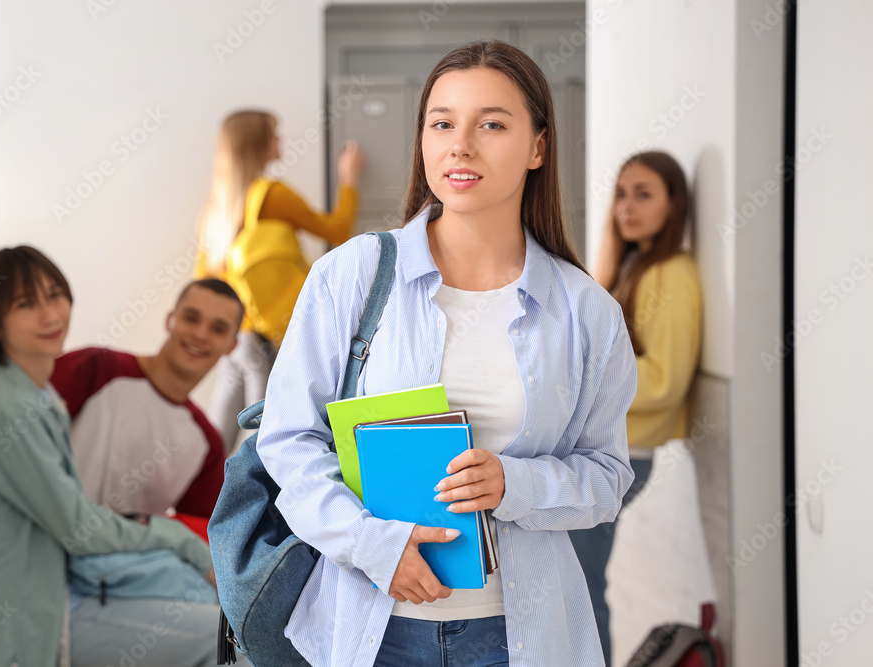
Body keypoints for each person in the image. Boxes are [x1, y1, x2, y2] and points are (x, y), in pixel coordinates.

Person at [254, 41, 637, 667]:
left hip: (519, 637)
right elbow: (290, 440)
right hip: (369, 629)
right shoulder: (352, 275)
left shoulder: (584, 311)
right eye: (441, 123)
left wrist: (515, 482)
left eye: (491, 123)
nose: (460, 144)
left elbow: (606, 477)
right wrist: (374, 545)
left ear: (538, 147)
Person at [0, 246, 220, 667]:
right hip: (41, 624)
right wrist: (177, 538)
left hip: (65, 588)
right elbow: (79, 528)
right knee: (231, 639)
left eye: (54, 295)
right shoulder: (5, 410)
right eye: (26, 304)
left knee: (222, 606)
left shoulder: (36, 395)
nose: (50, 315)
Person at [569, 150, 703, 665]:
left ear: (675, 203)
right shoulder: (631, 265)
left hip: (627, 453)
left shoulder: (672, 273)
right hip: (612, 447)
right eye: (622, 193)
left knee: (580, 584)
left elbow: (665, 380)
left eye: (644, 194)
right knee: (578, 577)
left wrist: (581, 384)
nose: (627, 206)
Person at [194, 109, 365, 453]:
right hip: (263, 336)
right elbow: (337, 231)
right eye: (274, 133)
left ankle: (202, 500)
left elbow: (207, 277)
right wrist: (349, 180)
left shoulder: (218, 205)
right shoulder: (271, 195)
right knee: (265, 437)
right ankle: (251, 506)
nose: (280, 140)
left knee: (218, 435)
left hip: (234, 337)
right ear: (258, 142)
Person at [49, 278, 242, 532]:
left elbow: (206, 535)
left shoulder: (208, 445)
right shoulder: (95, 368)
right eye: (191, 318)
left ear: (232, 345)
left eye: (218, 329)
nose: (200, 334)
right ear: (169, 320)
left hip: (114, 567)